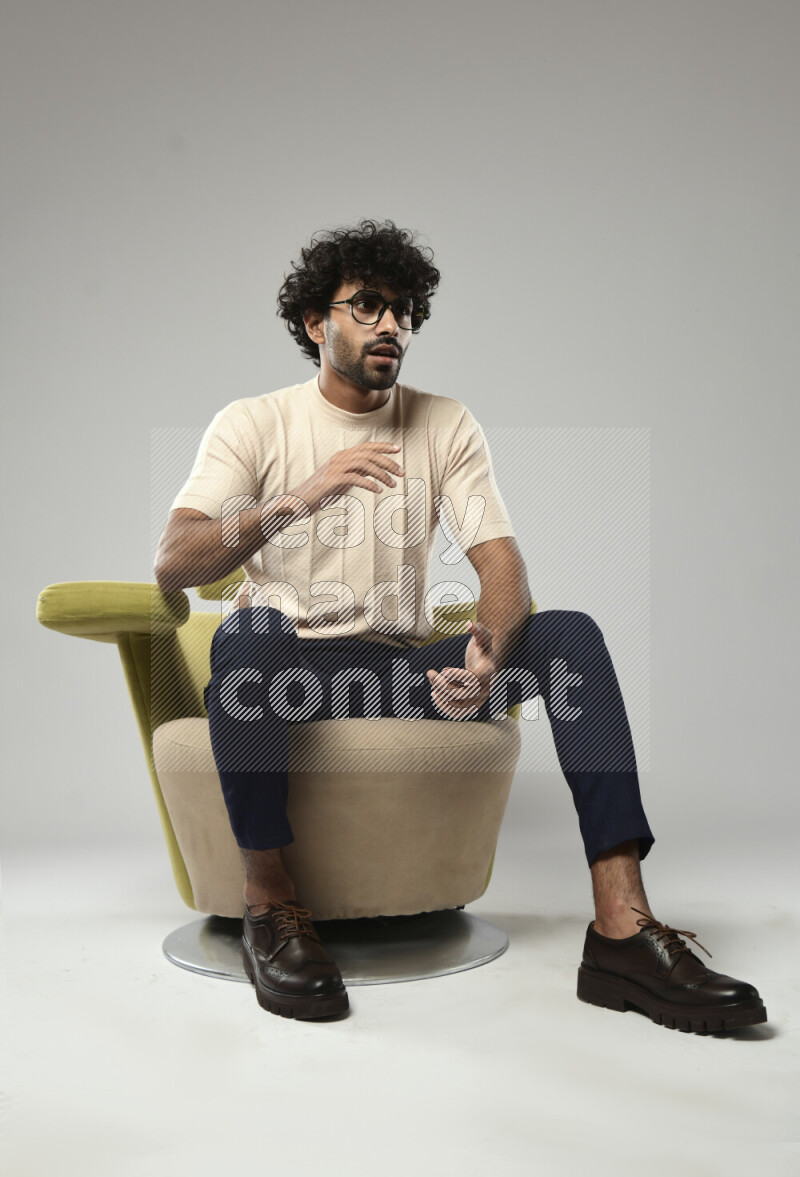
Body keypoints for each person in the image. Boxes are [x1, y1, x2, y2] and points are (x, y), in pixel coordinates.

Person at [154, 218, 766, 1031]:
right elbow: (175, 562)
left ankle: (622, 928)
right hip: (282, 671)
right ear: (315, 323)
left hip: (396, 674)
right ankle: (270, 908)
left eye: (403, 310)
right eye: (367, 305)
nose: (391, 325)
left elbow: (503, 566)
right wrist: (297, 499)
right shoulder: (253, 423)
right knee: (250, 633)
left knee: (569, 635)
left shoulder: (444, 423)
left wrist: (487, 653)